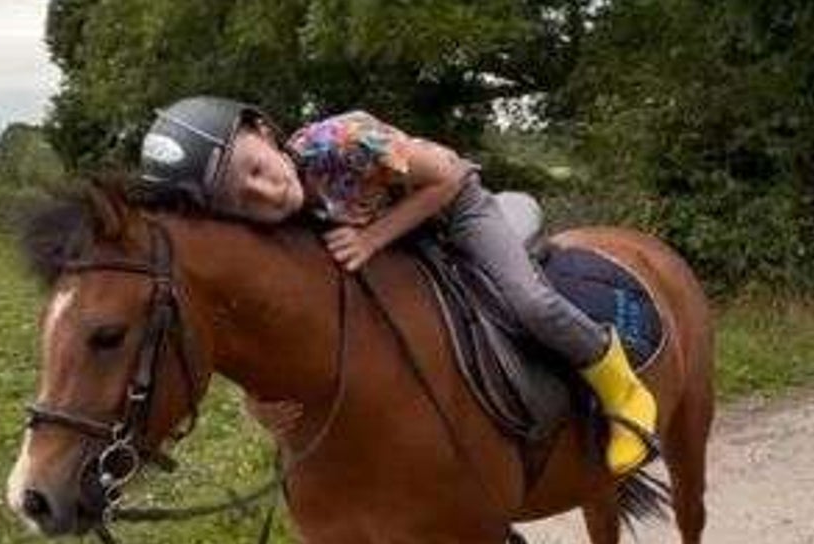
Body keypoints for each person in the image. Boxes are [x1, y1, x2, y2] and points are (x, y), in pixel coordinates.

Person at [139, 97, 657, 475]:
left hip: (453, 209)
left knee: (529, 301)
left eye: (255, 167)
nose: (266, 192)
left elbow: (448, 175)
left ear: (264, 132)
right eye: (242, 199)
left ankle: (622, 389)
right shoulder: (277, 220)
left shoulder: (338, 141)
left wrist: (373, 238)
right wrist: (259, 395)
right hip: (392, 238)